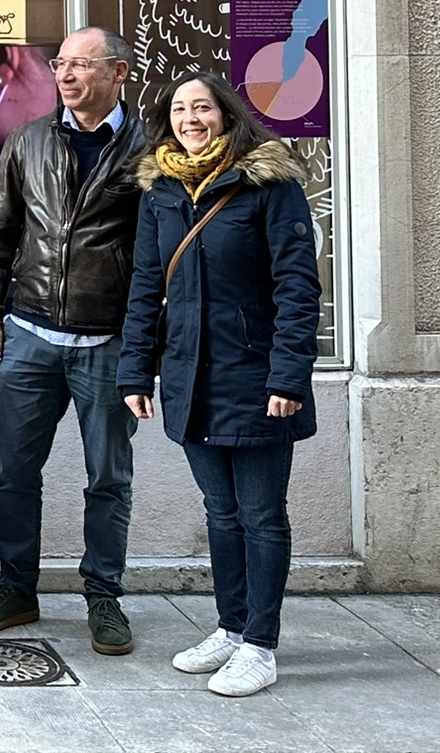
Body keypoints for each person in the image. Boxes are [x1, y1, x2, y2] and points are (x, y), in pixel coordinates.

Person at [119, 72, 320, 697]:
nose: (190, 118)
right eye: (179, 109)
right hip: (191, 377)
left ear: (226, 114)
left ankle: (261, 645)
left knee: (262, 516)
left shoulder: (270, 185)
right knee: (222, 512)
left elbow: (297, 287)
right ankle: (231, 630)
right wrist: (136, 369)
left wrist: (288, 374)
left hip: (258, 377)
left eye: (201, 107)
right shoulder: (163, 191)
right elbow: (147, 288)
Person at [0, 27, 147, 654]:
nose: (66, 75)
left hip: (109, 341)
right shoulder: (29, 140)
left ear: (118, 73)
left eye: (81, 65)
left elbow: (159, 257)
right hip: (31, 333)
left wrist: (147, 346)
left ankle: (104, 597)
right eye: (60, 64)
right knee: (14, 471)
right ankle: (16, 587)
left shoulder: (150, 148)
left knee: (109, 478)